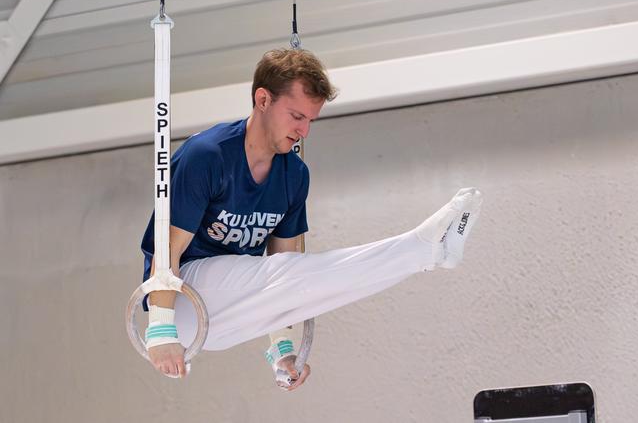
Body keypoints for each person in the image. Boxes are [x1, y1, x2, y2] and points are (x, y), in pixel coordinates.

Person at [140, 48, 483, 390]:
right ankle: (421, 249)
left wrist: (283, 350)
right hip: (181, 296)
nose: (304, 131)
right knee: (289, 272)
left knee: (308, 278)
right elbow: (169, 247)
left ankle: (424, 255)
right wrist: (159, 326)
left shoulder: (294, 175)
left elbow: (290, 274)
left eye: (310, 121)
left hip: (227, 319)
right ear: (263, 99)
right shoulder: (208, 156)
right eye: (296, 116)